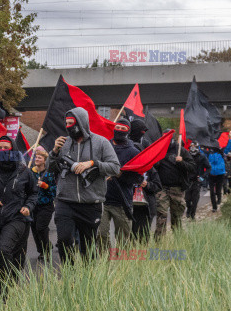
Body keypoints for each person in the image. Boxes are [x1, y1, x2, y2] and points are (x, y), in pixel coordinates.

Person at [48, 107, 120, 263]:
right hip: (65, 201)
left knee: (87, 247)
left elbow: (115, 167)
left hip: (90, 202)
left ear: (81, 123)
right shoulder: (63, 143)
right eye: (66, 123)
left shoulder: (101, 142)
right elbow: (50, 168)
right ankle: (70, 275)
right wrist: (54, 152)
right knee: (64, 240)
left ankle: (87, 278)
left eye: (71, 123)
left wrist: (93, 164)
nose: (68, 126)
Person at [0, 136, 38, 286]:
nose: (3, 150)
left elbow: (33, 193)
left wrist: (28, 206)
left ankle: (7, 287)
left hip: (16, 218)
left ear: (14, 150)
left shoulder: (24, 171)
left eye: (7, 147)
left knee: (3, 250)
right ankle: (0, 285)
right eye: (0, 148)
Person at [97, 119, 143, 249]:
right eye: (118, 127)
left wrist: (120, 175)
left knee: (123, 239)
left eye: (123, 129)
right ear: (113, 128)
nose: (120, 131)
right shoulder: (104, 147)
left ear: (128, 131)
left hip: (122, 203)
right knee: (101, 234)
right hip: (102, 200)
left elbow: (138, 178)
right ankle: (106, 263)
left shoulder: (133, 152)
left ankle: (122, 265)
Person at [154, 130, 195, 238]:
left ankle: (178, 241)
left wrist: (181, 161)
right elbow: (151, 167)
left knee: (176, 217)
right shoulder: (159, 149)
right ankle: (158, 243)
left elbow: (192, 167)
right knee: (161, 215)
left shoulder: (181, 151)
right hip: (162, 188)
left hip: (177, 189)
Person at [129, 119, 162, 242]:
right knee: (130, 234)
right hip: (130, 205)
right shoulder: (127, 169)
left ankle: (143, 257)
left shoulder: (150, 169)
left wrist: (146, 184)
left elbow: (158, 185)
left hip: (146, 205)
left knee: (144, 234)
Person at [30, 149, 56, 261]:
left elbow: (55, 191)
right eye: (36, 157)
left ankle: (46, 251)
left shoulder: (50, 173)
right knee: (34, 229)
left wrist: (45, 186)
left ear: (45, 161)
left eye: (40, 157)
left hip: (46, 205)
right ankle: (42, 250)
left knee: (41, 227)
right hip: (32, 205)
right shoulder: (30, 172)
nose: (37, 159)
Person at [203, 132, 231, 212]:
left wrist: (230, 138)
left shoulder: (222, 152)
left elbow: (228, 148)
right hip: (211, 174)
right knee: (212, 192)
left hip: (220, 174)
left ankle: (219, 199)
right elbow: (201, 152)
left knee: (218, 190)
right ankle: (214, 207)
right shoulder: (208, 152)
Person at [185, 142, 211, 219]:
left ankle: (193, 214)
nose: (193, 148)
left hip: (197, 181)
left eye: (194, 146)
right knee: (187, 199)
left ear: (197, 147)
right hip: (188, 180)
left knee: (195, 199)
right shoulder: (187, 155)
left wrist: (202, 177)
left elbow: (209, 167)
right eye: (191, 146)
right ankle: (189, 208)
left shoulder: (202, 156)